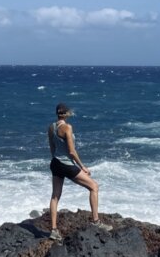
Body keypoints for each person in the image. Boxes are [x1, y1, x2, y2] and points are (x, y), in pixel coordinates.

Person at [47, 103, 112, 241]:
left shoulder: (51, 127)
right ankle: (95, 221)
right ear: (67, 114)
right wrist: (82, 167)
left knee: (55, 196)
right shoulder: (67, 128)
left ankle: (53, 230)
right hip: (67, 164)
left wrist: (56, 160)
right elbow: (71, 151)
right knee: (94, 187)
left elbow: (52, 148)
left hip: (55, 163)